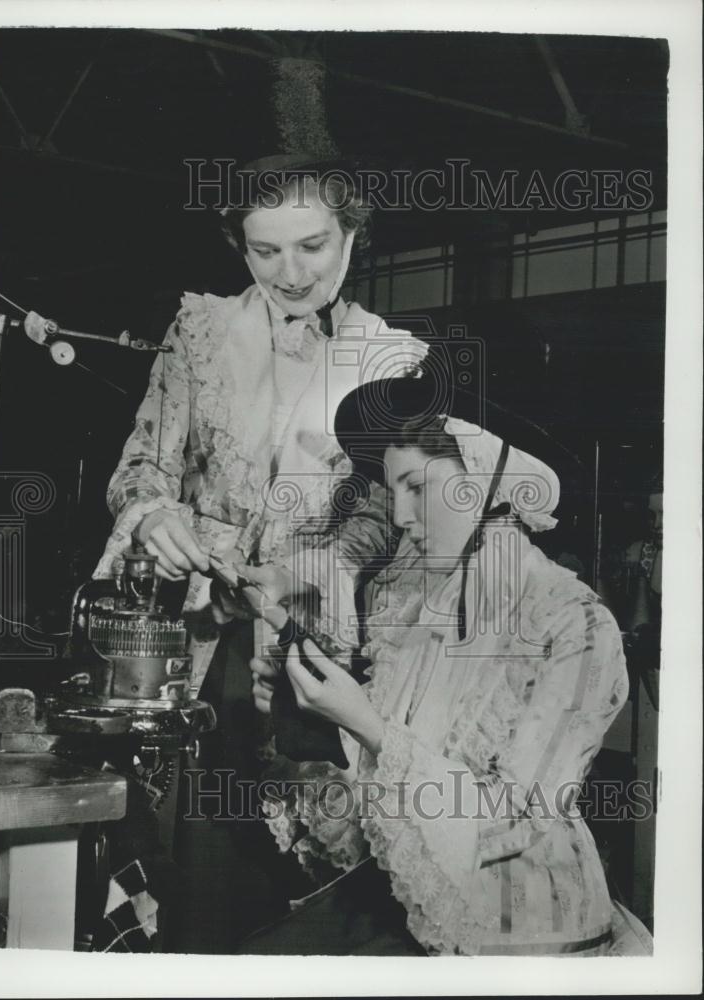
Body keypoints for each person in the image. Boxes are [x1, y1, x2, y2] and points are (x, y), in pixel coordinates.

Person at [93, 164, 427, 952]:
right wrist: (152, 517)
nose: (291, 273)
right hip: (195, 642)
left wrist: (325, 564)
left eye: (312, 246)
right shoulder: (200, 332)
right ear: (239, 249)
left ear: (353, 235)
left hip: (314, 644)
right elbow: (142, 463)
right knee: (188, 867)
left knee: (311, 879)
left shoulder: (391, 359)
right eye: (264, 251)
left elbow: (387, 506)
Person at [242, 375, 653, 956]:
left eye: (417, 486)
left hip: (522, 918)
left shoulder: (573, 622)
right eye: (394, 490)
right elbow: (376, 757)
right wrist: (300, 678)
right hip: (409, 892)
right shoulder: (412, 600)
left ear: (484, 477)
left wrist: (370, 727)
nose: (402, 515)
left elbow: (515, 818)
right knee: (261, 956)